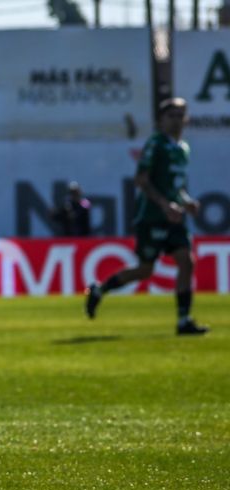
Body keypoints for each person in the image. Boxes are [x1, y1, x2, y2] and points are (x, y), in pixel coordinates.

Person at [85, 97, 208, 335]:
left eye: (181, 114)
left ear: (187, 118)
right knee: (145, 270)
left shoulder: (183, 149)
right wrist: (165, 205)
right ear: (161, 120)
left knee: (186, 260)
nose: (177, 120)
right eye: (171, 115)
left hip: (173, 217)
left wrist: (186, 202)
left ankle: (184, 321)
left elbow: (176, 186)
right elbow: (141, 180)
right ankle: (99, 290)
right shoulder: (156, 144)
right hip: (152, 217)